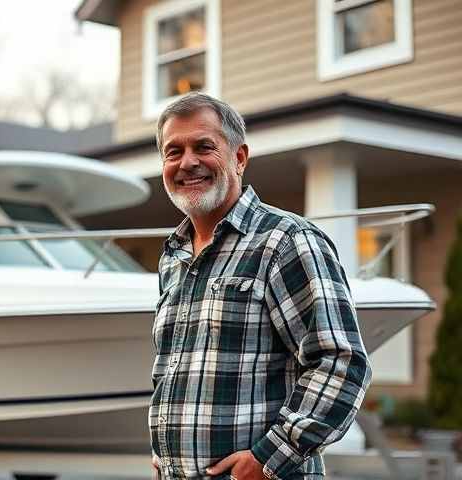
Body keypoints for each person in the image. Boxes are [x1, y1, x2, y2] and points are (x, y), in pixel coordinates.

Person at [149, 92, 372, 480]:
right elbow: (171, 371)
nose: (188, 162)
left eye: (204, 146)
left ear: (239, 157)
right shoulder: (173, 256)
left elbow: (342, 363)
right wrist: (165, 454)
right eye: (173, 151)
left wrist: (269, 459)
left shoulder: (287, 241)